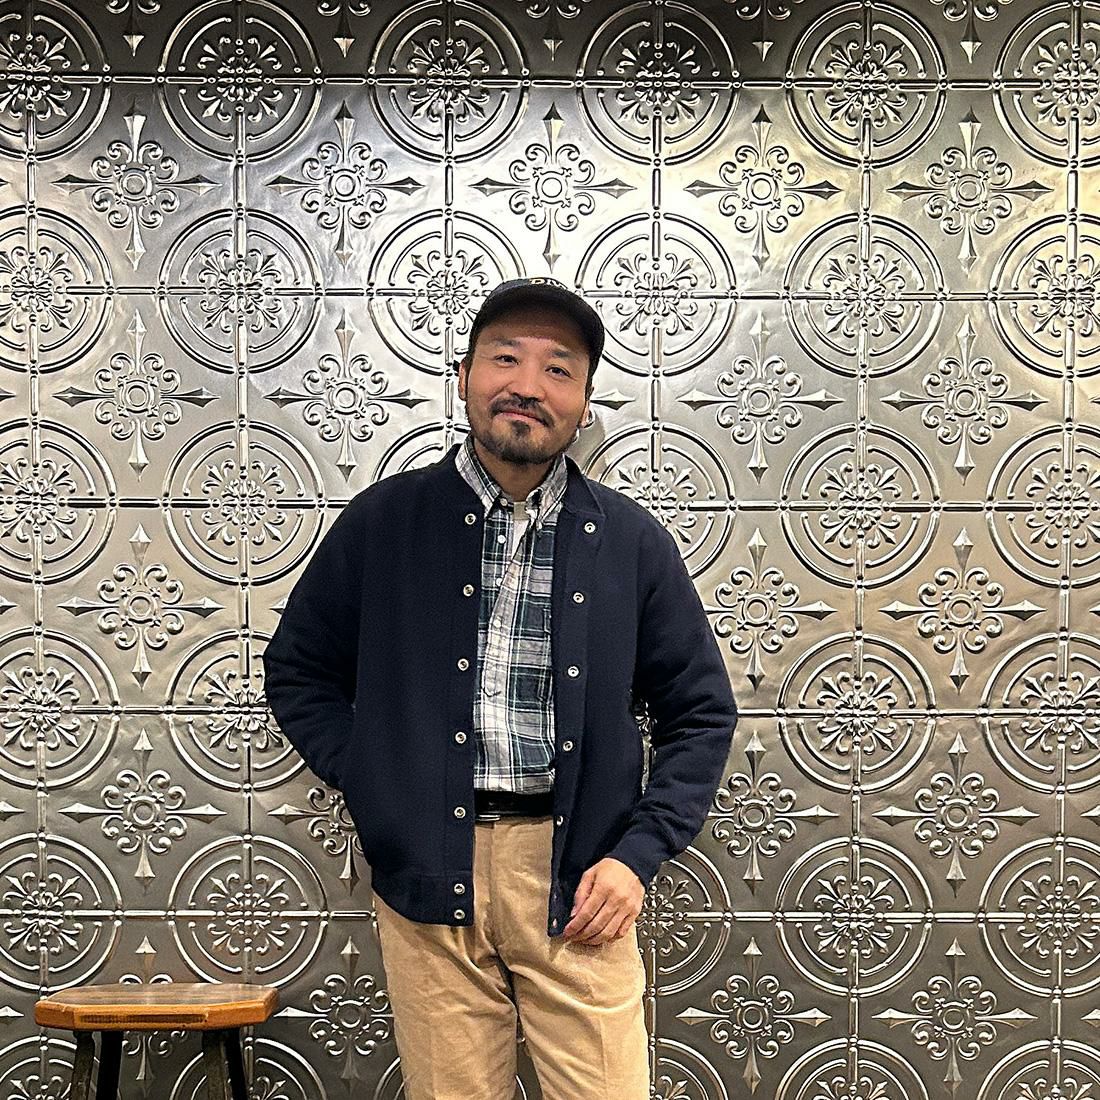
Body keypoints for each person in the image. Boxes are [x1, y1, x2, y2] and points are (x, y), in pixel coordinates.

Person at [261, 276, 738, 1100]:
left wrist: (636, 858)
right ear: (464, 376)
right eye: (505, 358)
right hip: (426, 873)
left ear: (583, 403)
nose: (527, 384)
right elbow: (299, 671)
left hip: (579, 878)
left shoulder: (630, 541)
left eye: (559, 369)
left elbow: (699, 712)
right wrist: (376, 776)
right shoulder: (384, 522)